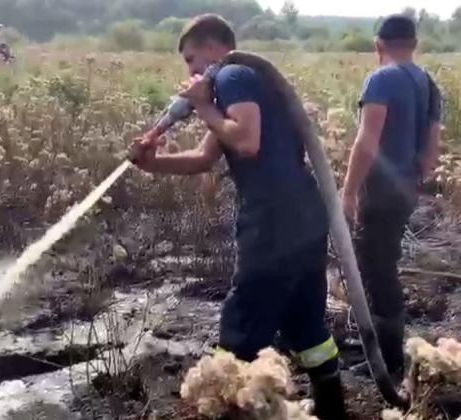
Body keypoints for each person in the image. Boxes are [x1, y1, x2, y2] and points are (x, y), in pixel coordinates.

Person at [128, 13, 347, 420]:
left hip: (273, 218)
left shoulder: (232, 77)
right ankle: (333, 409)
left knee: (243, 319)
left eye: (192, 60)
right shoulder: (242, 83)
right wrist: (153, 164)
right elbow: (203, 157)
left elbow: (246, 142)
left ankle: (224, 406)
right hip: (302, 212)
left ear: (213, 47)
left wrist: (203, 104)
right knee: (306, 322)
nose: (191, 72)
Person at [340, 15, 443, 382]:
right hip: (405, 190)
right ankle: (384, 349)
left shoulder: (381, 79)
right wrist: (413, 180)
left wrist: (349, 192)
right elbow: (431, 152)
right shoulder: (428, 83)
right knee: (383, 263)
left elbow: (367, 141)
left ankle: (387, 361)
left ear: (378, 45)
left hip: (379, 190)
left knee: (376, 268)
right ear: (414, 44)